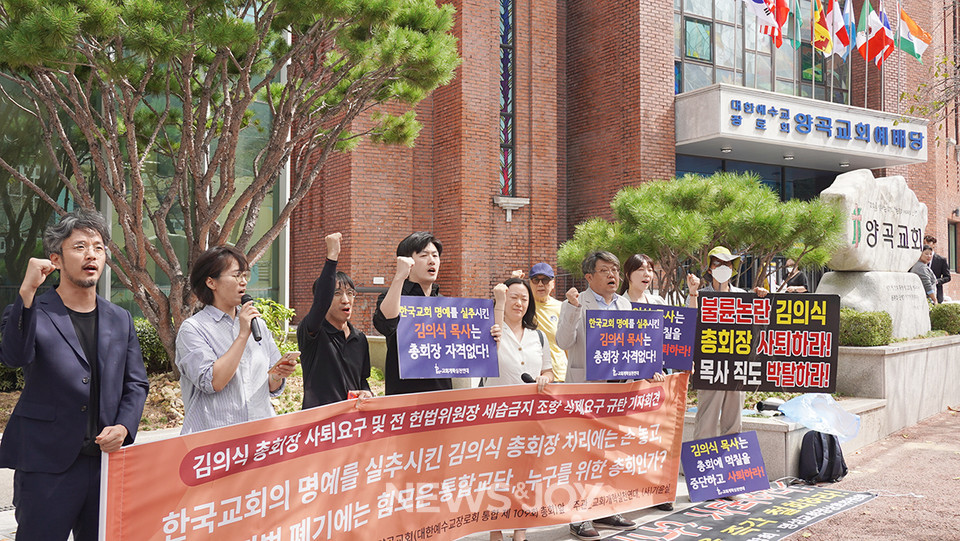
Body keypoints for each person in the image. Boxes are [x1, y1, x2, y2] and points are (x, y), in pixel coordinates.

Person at [0, 209, 149, 541]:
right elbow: (13, 357)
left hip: (106, 463)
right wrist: (26, 293)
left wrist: (124, 426)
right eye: (79, 246)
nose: (91, 254)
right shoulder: (33, 311)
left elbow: (136, 383)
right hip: (46, 466)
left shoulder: (119, 318)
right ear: (56, 258)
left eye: (98, 246)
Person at [556, 251, 638, 539]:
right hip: (586, 391)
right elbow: (563, 341)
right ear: (589, 276)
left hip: (616, 392)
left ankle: (606, 508)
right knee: (583, 455)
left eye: (614, 269)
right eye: (604, 270)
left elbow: (632, 348)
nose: (612, 275)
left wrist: (646, 368)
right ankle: (579, 516)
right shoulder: (578, 303)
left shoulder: (624, 304)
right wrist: (572, 307)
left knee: (611, 454)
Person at [176, 245, 299, 434]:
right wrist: (242, 335)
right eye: (236, 276)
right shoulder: (193, 329)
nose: (243, 282)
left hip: (260, 437)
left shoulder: (257, 323)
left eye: (245, 276)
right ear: (211, 282)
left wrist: (278, 373)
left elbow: (269, 384)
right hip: (215, 444)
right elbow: (213, 382)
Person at [486, 278, 552, 541]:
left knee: (526, 474)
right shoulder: (491, 331)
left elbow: (546, 368)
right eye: (514, 297)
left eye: (524, 299)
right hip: (497, 415)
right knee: (497, 474)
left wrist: (546, 377)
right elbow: (485, 357)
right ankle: (495, 531)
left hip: (531, 415)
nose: (519, 303)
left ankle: (520, 531)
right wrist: (498, 303)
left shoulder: (538, 336)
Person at [687, 246, 768, 444]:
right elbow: (690, 325)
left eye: (727, 264)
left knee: (733, 421)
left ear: (733, 269)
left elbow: (758, 329)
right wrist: (693, 294)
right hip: (709, 366)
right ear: (709, 269)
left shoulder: (744, 295)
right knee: (706, 419)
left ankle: (728, 466)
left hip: (737, 366)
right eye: (717, 264)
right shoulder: (700, 295)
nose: (723, 268)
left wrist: (762, 299)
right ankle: (702, 468)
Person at [299, 232, 373, 409]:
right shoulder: (313, 332)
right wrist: (332, 256)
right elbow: (320, 305)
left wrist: (366, 392)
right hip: (320, 424)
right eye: (337, 294)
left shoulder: (359, 338)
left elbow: (362, 380)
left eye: (350, 293)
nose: (346, 300)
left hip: (352, 424)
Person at [528, 262, 569, 382]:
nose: (540, 284)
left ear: (553, 283)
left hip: (559, 374)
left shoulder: (562, 307)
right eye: (535, 280)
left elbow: (568, 345)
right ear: (529, 283)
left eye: (545, 280)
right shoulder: (523, 306)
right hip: (531, 375)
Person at [924, 235, 951, 303]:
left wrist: (936, 281)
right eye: (924, 243)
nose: (926, 245)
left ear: (933, 245)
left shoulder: (941, 260)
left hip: (936, 293)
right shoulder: (919, 258)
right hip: (922, 293)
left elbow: (947, 277)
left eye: (928, 243)